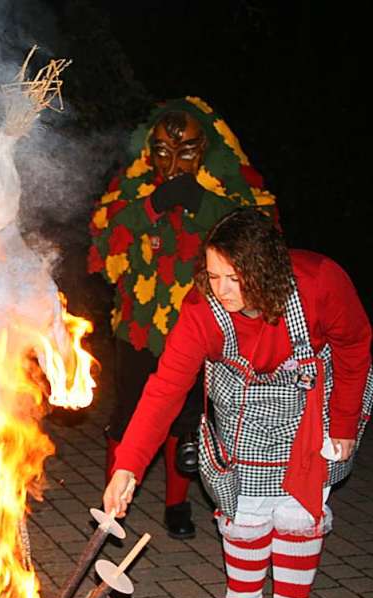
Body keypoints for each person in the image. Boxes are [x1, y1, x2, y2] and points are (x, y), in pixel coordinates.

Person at [104, 209, 371, 598]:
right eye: (212, 275)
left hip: (309, 410)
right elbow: (166, 388)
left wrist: (344, 423)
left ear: (264, 271)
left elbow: (354, 346)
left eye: (233, 277)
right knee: (243, 509)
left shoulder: (321, 282)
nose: (220, 290)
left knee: (298, 512)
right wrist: (126, 466)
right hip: (241, 413)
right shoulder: (202, 312)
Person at [88, 96, 277, 539]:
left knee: (188, 419)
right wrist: (152, 207)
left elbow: (260, 236)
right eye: (162, 150)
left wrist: (201, 202)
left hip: (202, 326)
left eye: (187, 151)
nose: (172, 162)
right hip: (137, 327)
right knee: (130, 415)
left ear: (207, 150)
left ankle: (177, 506)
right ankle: (111, 503)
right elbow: (100, 248)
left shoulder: (227, 191)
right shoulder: (134, 188)